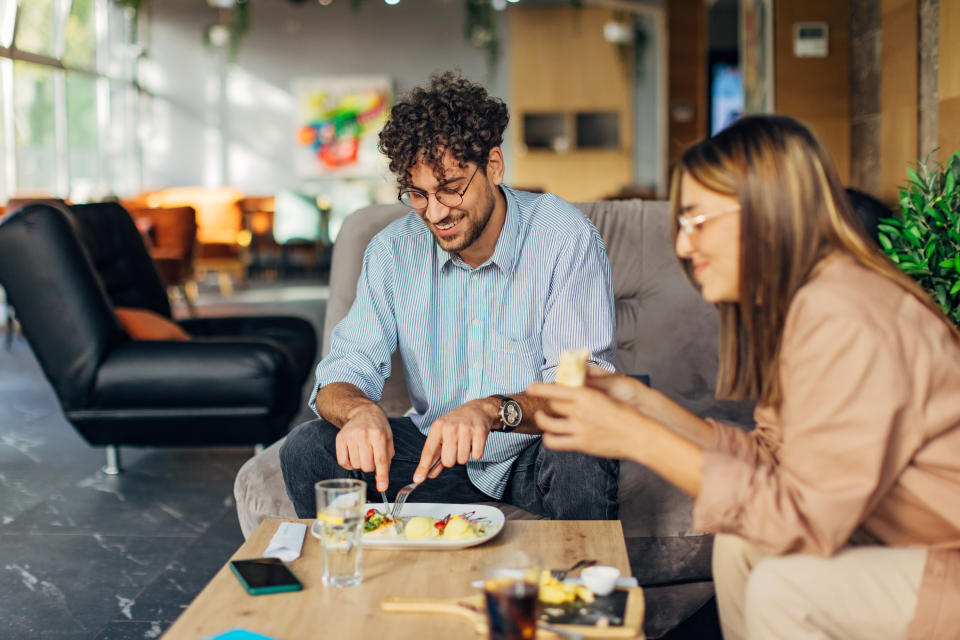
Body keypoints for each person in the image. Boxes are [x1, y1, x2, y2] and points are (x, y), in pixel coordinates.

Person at [528, 115, 960, 639]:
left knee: (786, 587)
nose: (684, 248)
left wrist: (636, 438)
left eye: (696, 221)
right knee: (740, 542)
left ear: (766, 214)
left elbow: (802, 519)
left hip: (942, 563)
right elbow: (775, 459)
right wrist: (638, 403)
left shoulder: (848, 313)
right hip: (901, 548)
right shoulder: (810, 303)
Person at [279, 71, 619, 521]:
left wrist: (491, 411)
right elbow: (341, 372)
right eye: (418, 195)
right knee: (307, 448)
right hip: (430, 458)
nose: (435, 213)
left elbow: (578, 389)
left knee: (584, 451)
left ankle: (577, 588)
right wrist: (358, 410)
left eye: (451, 188)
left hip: (533, 455)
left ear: (493, 166)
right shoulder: (392, 250)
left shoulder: (563, 236)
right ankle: (352, 588)